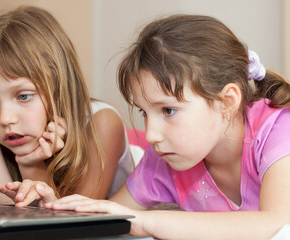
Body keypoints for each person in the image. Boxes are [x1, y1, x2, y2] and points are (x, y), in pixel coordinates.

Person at [17, 14, 290, 239]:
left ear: (227, 101)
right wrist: (53, 208)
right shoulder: (166, 157)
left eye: (168, 110)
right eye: (144, 113)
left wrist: (148, 222)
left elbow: (277, 225)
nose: (151, 135)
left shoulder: (279, 129)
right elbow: (112, 217)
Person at [0, 6, 134, 206]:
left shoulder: (103, 123)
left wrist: (30, 164)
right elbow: (4, 215)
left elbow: (70, 226)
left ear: (59, 87)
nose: (5, 118)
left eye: (24, 96)